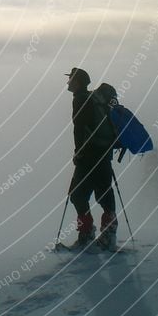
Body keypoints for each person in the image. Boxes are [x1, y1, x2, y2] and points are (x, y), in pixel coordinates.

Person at [66, 67, 118, 250]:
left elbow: (80, 129)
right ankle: (109, 234)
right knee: (103, 192)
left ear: (77, 82)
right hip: (103, 152)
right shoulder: (96, 100)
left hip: (89, 155)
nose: (68, 82)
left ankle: (86, 234)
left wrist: (78, 153)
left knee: (77, 194)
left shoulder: (80, 100)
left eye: (70, 79)